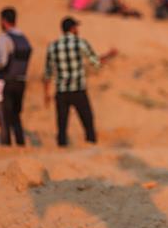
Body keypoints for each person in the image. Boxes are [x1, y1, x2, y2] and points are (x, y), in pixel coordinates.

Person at [43, 17, 117, 147]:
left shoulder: (52, 46)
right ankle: (91, 147)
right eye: (76, 27)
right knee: (88, 123)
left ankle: (61, 150)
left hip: (61, 92)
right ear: (72, 29)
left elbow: (48, 73)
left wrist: (46, 93)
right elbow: (96, 62)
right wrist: (109, 55)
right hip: (78, 90)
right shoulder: (80, 43)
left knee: (62, 126)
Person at [0, 7, 31, 146]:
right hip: (21, 82)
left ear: (3, 21)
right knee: (16, 116)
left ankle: (6, 145)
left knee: (3, 117)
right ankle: (20, 145)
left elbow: (2, 61)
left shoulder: (5, 38)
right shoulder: (23, 38)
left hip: (5, 81)